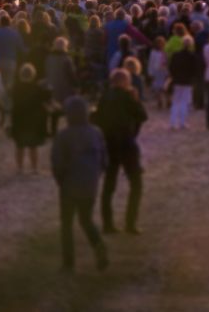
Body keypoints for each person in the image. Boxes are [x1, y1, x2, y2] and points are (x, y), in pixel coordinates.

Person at [51, 96, 110, 274]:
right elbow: (104, 160)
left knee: (67, 224)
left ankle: (68, 263)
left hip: (70, 184)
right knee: (86, 219)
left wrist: (61, 181)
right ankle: (98, 245)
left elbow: (57, 164)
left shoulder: (64, 136)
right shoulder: (96, 132)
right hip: (90, 183)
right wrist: (95, 175)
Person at [95, 68, 148, 235]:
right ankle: (130, 224)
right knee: (136, 184)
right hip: (126, 143)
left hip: (109, 144)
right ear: (125, 82)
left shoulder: (104, 97)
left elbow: (96, 118)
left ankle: (107, 224)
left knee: (109, 185)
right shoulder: (127, 97)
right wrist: (136, 99)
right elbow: (142, 115)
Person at [11, 63, 51, 173]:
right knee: (33, 147)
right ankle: (34, 168)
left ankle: (19, 167)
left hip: (19, 120)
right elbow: (47, 98)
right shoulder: (37, 88)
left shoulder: (16, 88)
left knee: (20, 146)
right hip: (33, 121)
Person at [168, 36, 196, 130]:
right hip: (187, 82)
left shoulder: (176, 55)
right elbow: (194, 70)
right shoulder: (192, 56)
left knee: (176, 102)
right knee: (185, 102)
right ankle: (182, 123)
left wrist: (173, 76)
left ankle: (172, 123)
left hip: (177, 80)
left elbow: (171, 68)